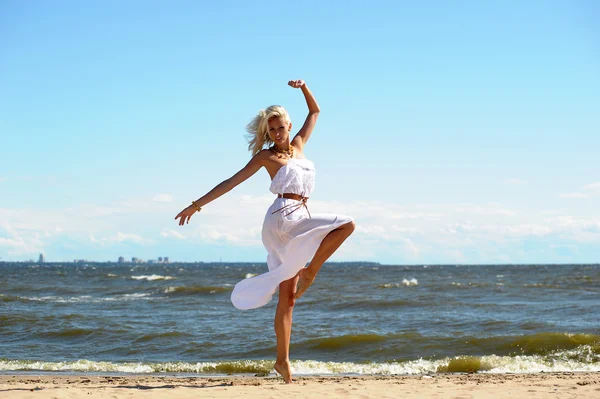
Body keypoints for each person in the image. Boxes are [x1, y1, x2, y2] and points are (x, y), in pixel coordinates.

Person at [174, 79, 355, 383]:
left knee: (289, 298)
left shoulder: (299, 146)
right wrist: (196, 205)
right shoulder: (265, 157)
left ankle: (282, 361)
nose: (277, 133)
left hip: (300, 214)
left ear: (288, 125)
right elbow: (230, 182)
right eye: (271, 130)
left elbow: (315, 111)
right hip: (280, 221)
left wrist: (304, 88)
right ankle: (311, 272)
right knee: (346, 223)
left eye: (280, 127)